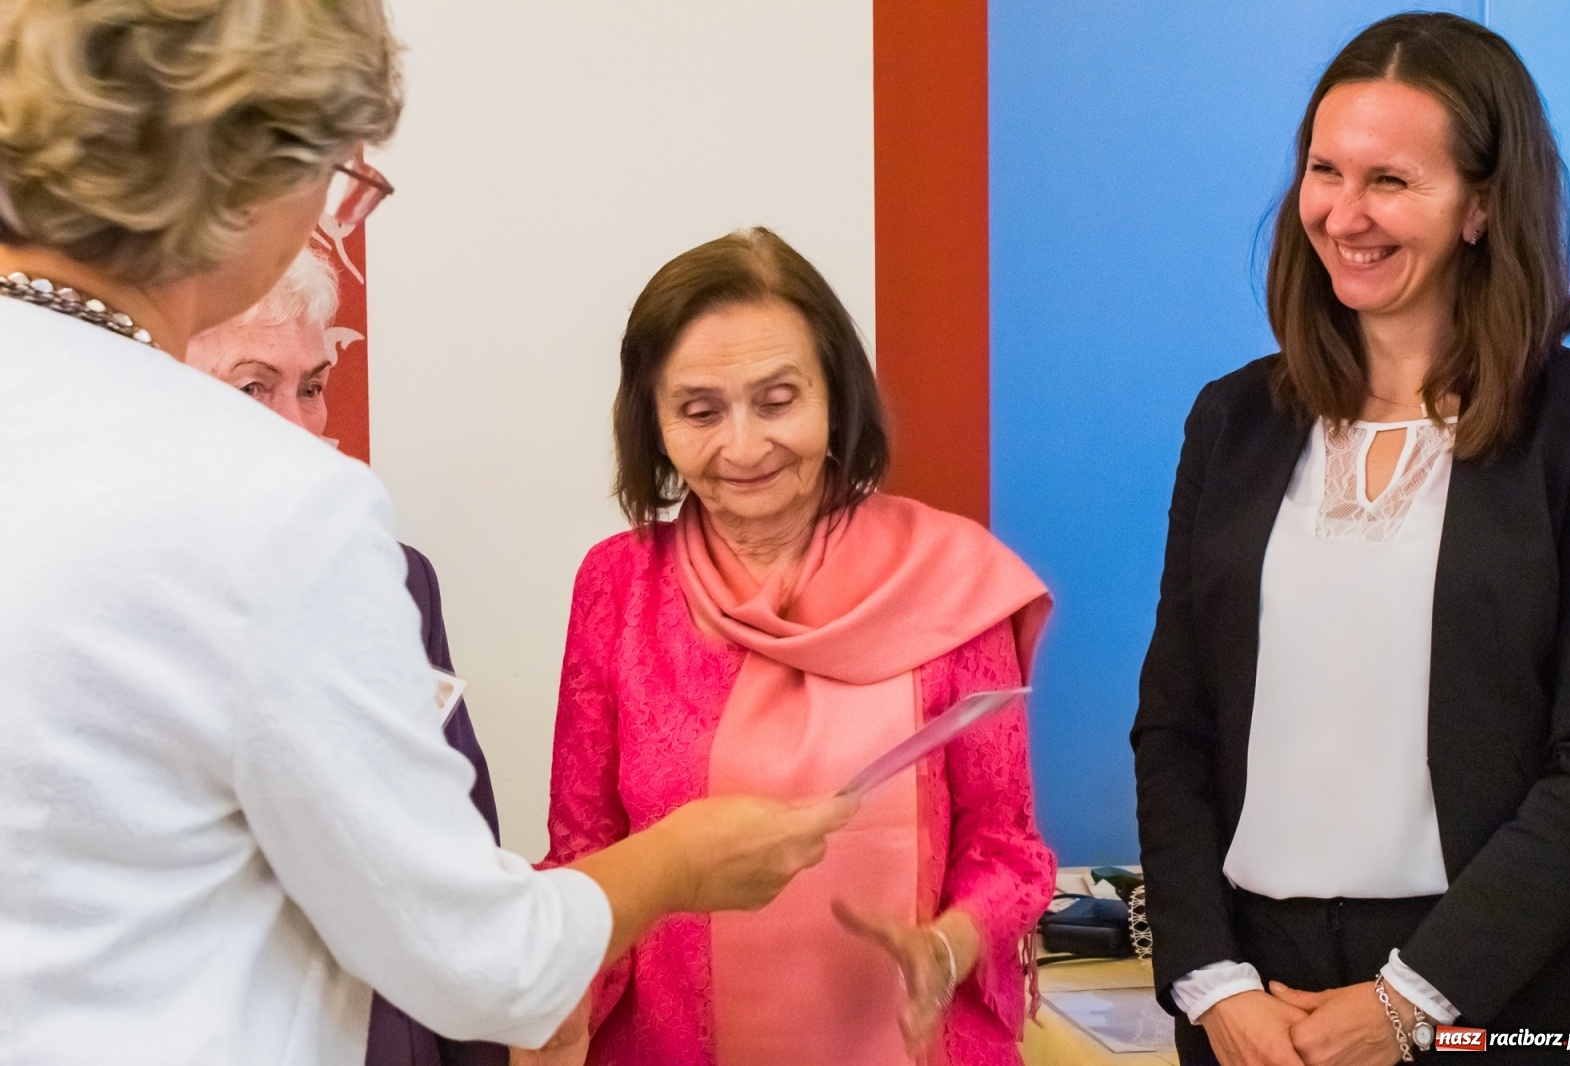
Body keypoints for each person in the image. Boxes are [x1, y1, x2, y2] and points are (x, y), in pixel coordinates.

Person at [0, 4, 854, 1065]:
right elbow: (478, 960)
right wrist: (680, 861)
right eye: (337, 177)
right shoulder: (268, 499)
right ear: (252, 171)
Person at [1131, 13, 1570, 1066]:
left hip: (1500, 995)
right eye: (1323, 171)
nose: (1344, 214)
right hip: (1252, 995)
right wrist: (1209, 984)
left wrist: (1414, 999)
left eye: (1389, 180)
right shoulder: (1231, 421)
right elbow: (1174, 728)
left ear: (1481, 204)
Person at [531, 227, 1057, 1066]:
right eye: (699, 411)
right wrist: (548, 1014)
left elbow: (1008, 848)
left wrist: (948, 947)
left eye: (778, 401)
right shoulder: (618, 587)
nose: (743, 447)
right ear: (654, 422)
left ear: (835, 396)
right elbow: (584, 849)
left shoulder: (952, 583)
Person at [189, 249, 508, 1066]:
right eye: (253, 387)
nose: (299, 427)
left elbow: (460, 853)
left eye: (313, 385)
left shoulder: (398, 580)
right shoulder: (104, 591)